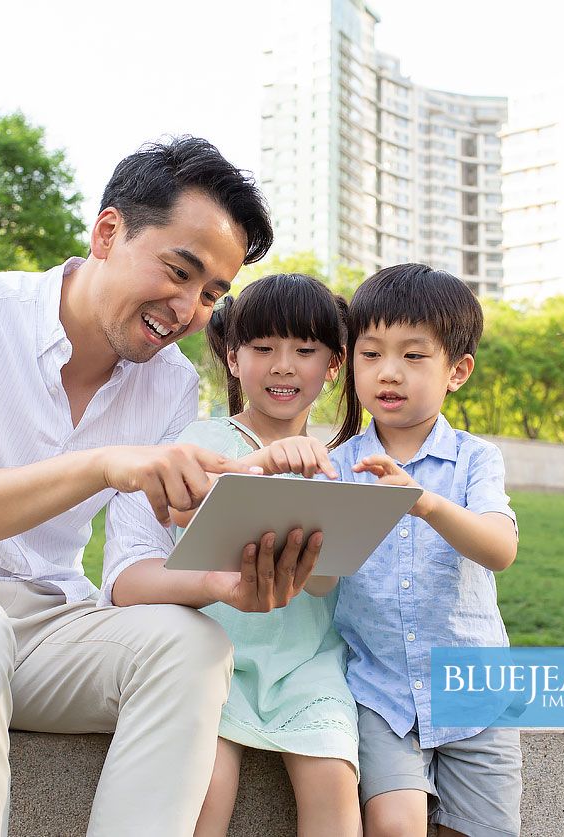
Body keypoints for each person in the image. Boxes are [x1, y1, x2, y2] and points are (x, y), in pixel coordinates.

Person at [0, 137, 325, 837]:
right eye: (178, 271)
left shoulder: (168, 382)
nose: (187, 308)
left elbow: (129, 571)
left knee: (192, 647)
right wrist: (104, 461)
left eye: (210, 294)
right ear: (107, 232)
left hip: (42, 625)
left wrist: (228, 584)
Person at [328, 264, 522, 837]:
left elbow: (499, 548)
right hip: (379, 690)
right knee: (394, 825)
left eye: (414, 356)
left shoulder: (475, 459)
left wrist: (424, 503)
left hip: (475, 692)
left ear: (457, 370)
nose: (389, 372)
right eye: (371, 354)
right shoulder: (336, 467)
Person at [168, 274, 361, 837]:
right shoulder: (204, 440)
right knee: (207, 789)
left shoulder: (339, 463)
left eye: (305, 350)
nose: (283, 366)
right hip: (217, 657)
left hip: (308, 664)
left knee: (334, 786)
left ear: (333, 366)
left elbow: (324, 584)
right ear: (233, 358)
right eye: (262, 349)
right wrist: (266, 464)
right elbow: (184, 510)